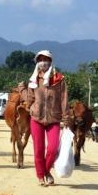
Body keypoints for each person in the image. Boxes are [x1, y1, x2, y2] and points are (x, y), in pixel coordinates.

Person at [27, 50, 70, 186]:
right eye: (40, 60)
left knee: (52, 148)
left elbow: (64, 99)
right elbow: (30, 98)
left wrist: (66, 117)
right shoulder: (34, 79)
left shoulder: (59, 79)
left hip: (54, 119)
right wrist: (28, 107)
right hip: (36, 118)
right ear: (37, 63)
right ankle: (41, 176)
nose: (43, 62)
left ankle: (46, 171)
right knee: (38, 149)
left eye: (46, 59)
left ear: (51, 62)